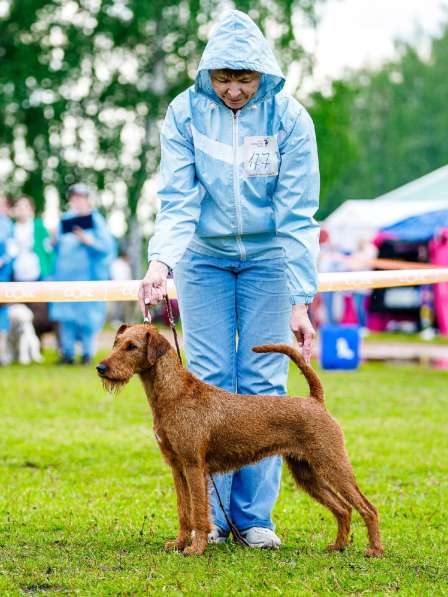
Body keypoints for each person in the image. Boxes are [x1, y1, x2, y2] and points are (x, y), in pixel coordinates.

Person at [138, 10, 320, 549]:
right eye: (223, 78)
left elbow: (297, 214)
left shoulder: (290, 119)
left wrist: (300, 299)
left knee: (263, 379)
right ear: (207, 73)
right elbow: (177, 198)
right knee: (209, 381)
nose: (234, 90)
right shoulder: (184, 113)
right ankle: (209, 521)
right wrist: (160, 262)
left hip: (269, 259)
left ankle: (254, 518)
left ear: (263, 73)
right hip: (203, 257)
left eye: (245, 79)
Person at [49, 184, 115, 364]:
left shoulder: (96, 220)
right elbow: (55, 249)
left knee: (87, 320)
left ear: (87, 199)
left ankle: (87, 354)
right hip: (64, 278)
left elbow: (107, 249)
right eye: (73, 197)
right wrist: (53, 240)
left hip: (88, 279)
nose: (76, 201)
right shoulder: (65, 220)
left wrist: (88, 240)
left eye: (80, 197)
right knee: (66, 318)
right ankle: (67, 354)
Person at [9, 195, 53, 282]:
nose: (22, 209)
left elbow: (48, 248)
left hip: (37, 273)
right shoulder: (11, 227)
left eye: (25, 206)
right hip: (17, 274)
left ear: (31, 209)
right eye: (19, 206)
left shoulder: (38, 226)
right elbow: (11, 251)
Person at [0, 194, 13, 365]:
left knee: (2, 316)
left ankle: (2, 353)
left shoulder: (9, 226)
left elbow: (12, 251)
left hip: (3, 277)